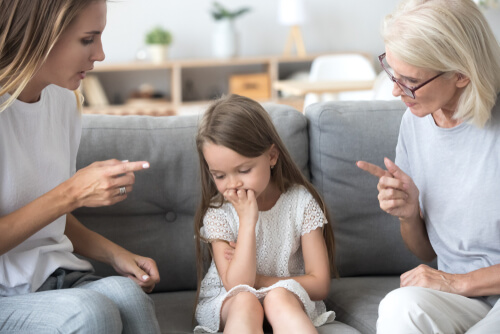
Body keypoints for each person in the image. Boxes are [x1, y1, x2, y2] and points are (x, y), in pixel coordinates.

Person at [0, 1, 161, 333]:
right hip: (7, 296)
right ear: (42, 35)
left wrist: (116, 254)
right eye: (88, 39)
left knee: (128, 296)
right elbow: (60, 200)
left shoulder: (64, 101)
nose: (100, 54)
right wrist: (72, 192)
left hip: (53, 278)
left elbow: (44, 214)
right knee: (89, 312)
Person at [356, 0, 500, 332]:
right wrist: (408, 214)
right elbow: (426, 252)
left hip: (472, 290)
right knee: (399, 308)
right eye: (391, 70)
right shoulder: (415, 123)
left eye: (409, 80)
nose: (395, 90)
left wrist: (458, 283)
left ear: (462, 73)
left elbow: (451, 280)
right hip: (464, 300)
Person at [193, 94, 336, 334]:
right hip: (230, 299)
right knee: (246, 301)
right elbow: (237, 285)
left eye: (244, 170)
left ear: (271, 156)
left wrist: (260, 281)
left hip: (286, 296)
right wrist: (248, 221)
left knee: (279, 296)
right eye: (219, 175)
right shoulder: (218, 212)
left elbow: (320, 284)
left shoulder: (300, 202)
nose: (233, 184)